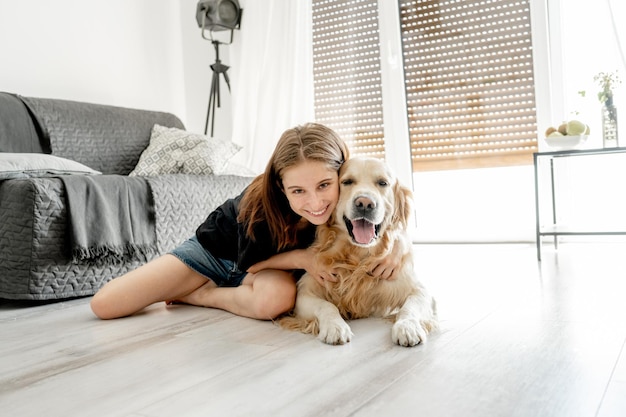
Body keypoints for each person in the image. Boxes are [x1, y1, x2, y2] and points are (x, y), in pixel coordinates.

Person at [91, 122, 402, 321]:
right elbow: (249, 263)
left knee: (276, 300)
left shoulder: (344, 205)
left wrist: (398, 246)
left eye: (324, 185)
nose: (315, 202)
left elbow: (380, 221)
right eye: (298, 191)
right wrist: (303, 258)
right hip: (214, 256)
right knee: (105, 305)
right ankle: (195, 283)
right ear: (281, 186)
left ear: (341, 176)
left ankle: (199, 295)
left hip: (263, 272)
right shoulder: (258, 206)